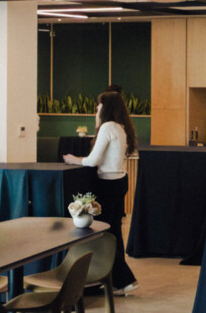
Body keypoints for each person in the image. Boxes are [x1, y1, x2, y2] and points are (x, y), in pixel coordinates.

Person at [63, 90, 139, 296]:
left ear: (106, 108)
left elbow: (93, 160)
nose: (96, 108)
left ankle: (122, 280)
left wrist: (73, 159)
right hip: (119, 181)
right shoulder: (121, 127)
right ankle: (119, 280)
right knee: (112, 231)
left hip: (108, 185)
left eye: (99, 105)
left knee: (106, 232)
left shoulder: (107, 127)